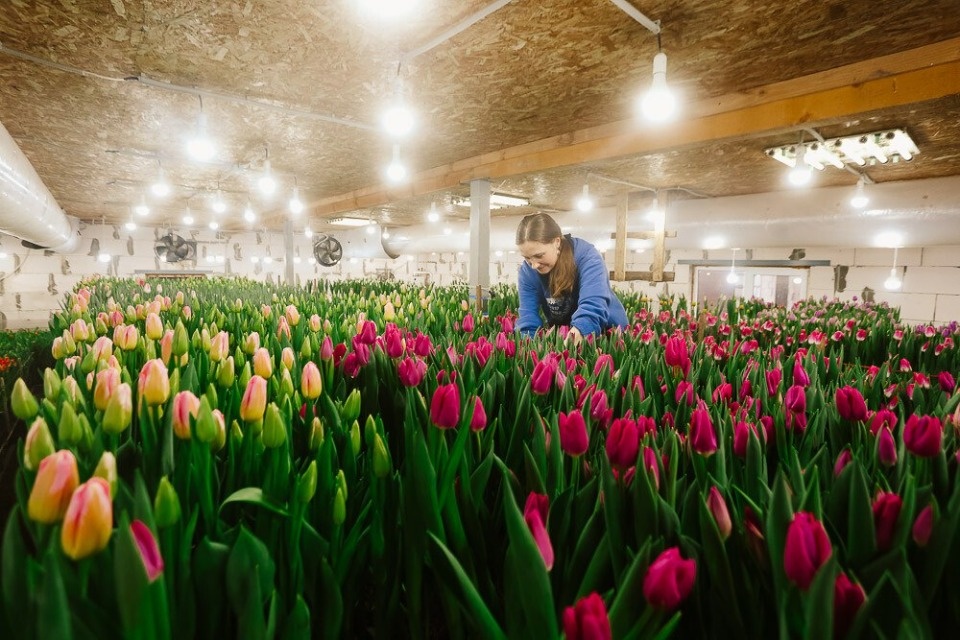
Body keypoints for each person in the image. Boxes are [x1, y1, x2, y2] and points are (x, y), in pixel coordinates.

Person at [515, 212, 628, 343]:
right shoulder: (527, 271)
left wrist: (579, 333)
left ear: (557, 242)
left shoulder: (587, 257)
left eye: (539, 256)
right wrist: (528, 344)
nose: (534, 265)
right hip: (564, 333)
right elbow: (528, 314)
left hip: (607, 333)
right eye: (527, 258)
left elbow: (593, 303)